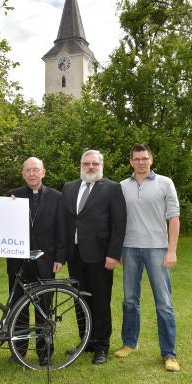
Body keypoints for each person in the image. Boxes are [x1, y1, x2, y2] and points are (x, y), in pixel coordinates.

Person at [114, 144, 180, 372]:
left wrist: (171, 250)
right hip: (129, 249)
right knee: (130, 300)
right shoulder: (122, 186)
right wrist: (118, 250)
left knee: (164, 304)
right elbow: (117, 220)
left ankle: (169, 353)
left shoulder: (165, 183)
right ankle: (130, 343)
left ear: (151, 159)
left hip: (157, 249)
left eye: (145, 158)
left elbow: (174, 218)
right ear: (131, 161)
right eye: (136, 159)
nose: (141, 162)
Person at [61, 149, 127, 365]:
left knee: (100, 300)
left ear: (101, 166)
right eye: (86, 163)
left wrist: (113, 254)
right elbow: (65, 222)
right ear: (80, 165)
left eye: (94, 164)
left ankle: (101, 346)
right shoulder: (69, 188)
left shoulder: (112, 188)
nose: (90, 167)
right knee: (80, 299)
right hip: (75, 254)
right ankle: (85, 341)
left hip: (100, 256)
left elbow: (119, 224)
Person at [6, 157, 66, 366]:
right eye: (28, 170)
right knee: (18, 307)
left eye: (36, 170)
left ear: (43, 173)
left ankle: (45, 351)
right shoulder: (12, 196)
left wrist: (60, 257)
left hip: (45, 260)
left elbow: (62, 229)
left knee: (44, 306)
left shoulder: (57, 197)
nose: (32, 174)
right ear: (23, 174)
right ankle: (19, 350)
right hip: (17, 259)